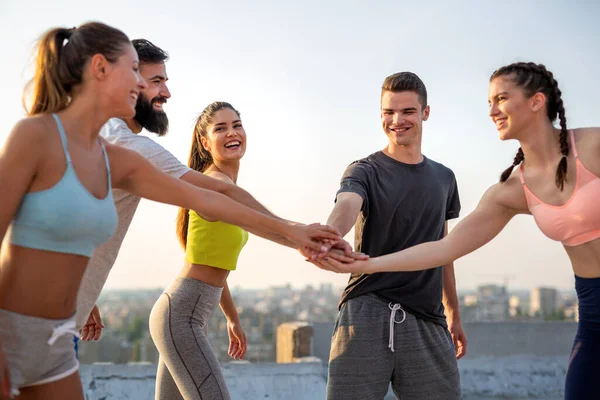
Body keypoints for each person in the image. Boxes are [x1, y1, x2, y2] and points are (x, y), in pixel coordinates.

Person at [0, 22, 340, 400]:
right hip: (9, 332)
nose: (158, 89)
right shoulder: (35, 136)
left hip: (60, 339)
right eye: (137, 72)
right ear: (100, 69)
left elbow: (211, 196)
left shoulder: (119, 157)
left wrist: (295, 233)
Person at [317, 62, 600, 400]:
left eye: (501, 99)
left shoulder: (593, 146)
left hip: (427, 317)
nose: (492, 110)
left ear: (537, 101)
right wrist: (353, 254)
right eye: (489, 102)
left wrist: (451, 313)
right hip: (593, 314)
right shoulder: (510, 190)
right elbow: (443, 247)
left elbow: (441, 243)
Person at [319, 72, 466, 400]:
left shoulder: (445, 178)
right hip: (367, 313)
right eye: (388, 112)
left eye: (408, 111)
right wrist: (330, 235)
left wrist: (453, 312)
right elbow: (346, 204)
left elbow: (445, 249)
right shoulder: (363, 170)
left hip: (429, 319)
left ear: (426, 113)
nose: (397, 120)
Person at [150, 101, 253, 399]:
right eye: (220, 128)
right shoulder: (214, 185)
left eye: (237, 124)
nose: (232, 132)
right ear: (206, 143)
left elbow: (214, 267)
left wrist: (232, 318)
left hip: (183, 315)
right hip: (181, 317)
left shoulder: (221, 185)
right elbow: (268, 224)